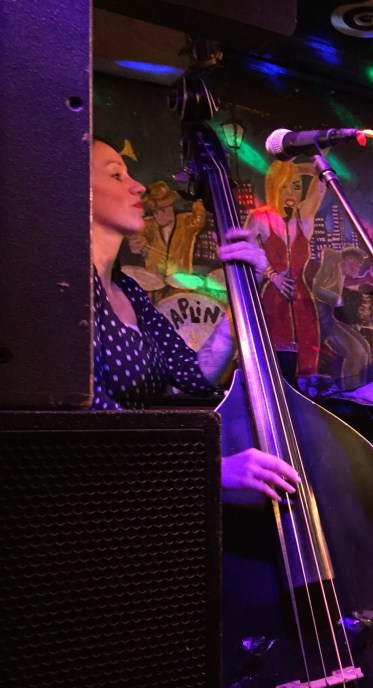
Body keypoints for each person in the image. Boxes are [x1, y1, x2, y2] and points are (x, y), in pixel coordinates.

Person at [90, 137, 300, 503]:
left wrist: (243, 289)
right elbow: (92, 425)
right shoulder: (66, 292)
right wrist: (210, 467)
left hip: (142, 497)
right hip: (95, 503)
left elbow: (194, 374)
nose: (136, 184)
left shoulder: (128, 290)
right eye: (116, 175)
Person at [246, 159, 327, 384]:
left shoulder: (303, 218)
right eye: (284, 186)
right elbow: (248, 256)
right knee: (276, 367)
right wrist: (273, 276)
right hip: (273, 301)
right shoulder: (260, 217)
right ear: (274, 186)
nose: (291, 192)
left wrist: (307, 167)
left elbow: (320, 186)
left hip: (303, 303)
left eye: (296, 186)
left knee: (306, 367)